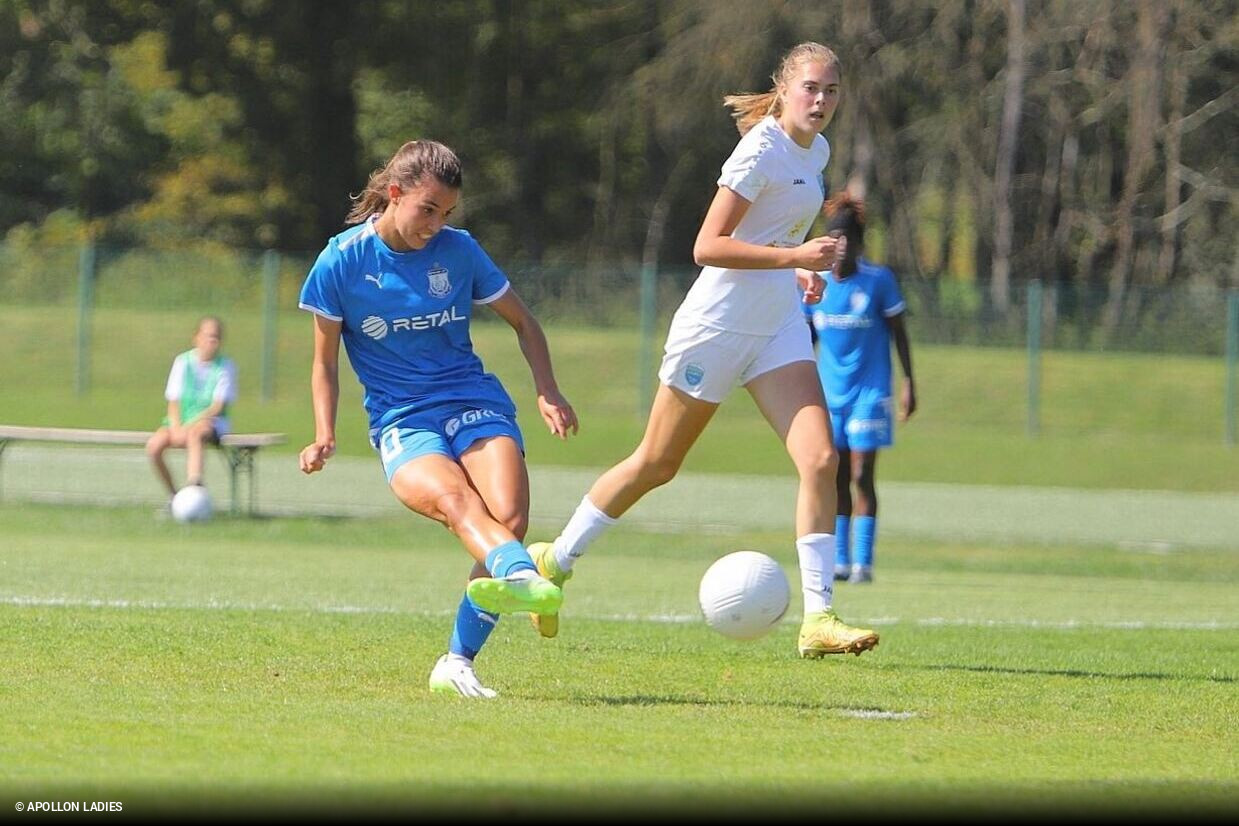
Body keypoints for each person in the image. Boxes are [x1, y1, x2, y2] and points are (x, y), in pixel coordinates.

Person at [528, 42, 879, 659]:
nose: (821, 101)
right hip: (715, 329)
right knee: (657, 464)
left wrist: (793, 272)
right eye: (811, 89)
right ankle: (556, 559)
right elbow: (707, 246)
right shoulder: (760, 150)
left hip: (775, 328)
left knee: (822, 460)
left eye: (831, 91)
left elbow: (770, 236)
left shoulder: (815, 149)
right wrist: (794, 257)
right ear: (786, 88)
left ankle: (818, 618)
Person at [296, 139, 578, 698]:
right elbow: (323, 360)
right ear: (394, 195)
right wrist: (324, 433)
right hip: (402, 417)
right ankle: (524, 575)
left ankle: (456, 661)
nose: (436, 225)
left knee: (507, 519)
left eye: (446, 213)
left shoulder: (460, 251)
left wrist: (547, 389)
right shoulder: (341, 261)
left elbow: (524, 323)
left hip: (473, 398)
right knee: (458, 504)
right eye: (428, 209)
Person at [805, 192, 916, 584]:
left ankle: (863, 563)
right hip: (828, 396)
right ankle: (839, 559)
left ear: (860, 241)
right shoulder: (815, 284)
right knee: (834, 476)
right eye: (836, 237)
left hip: (870, 394)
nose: (842, 244)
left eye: (849, 237)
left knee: (862, 473)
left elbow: (899, 333)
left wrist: (909, 383)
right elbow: (805, 341)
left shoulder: (878, 281)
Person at [146, 316, 237, 501]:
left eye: (216, 337)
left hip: (211, 423)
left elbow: (217, 407)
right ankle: (175, 496)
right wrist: (177, 427)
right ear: (196, 338)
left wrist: (187, 428)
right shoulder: (182, 362)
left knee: (196, 433)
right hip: (180, 421)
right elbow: (174, 401)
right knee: (154, 446)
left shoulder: (225, 366)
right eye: (207, 336)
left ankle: (194, 486)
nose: (211, 341)